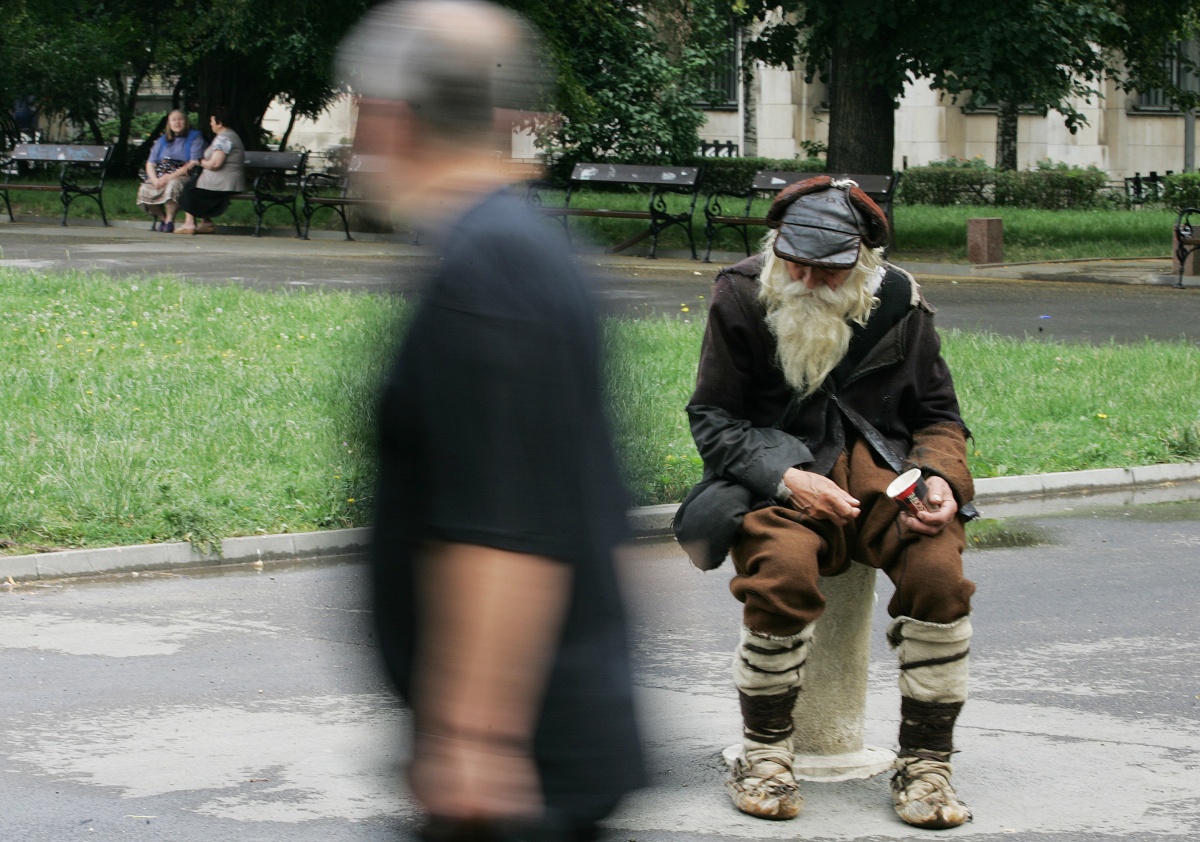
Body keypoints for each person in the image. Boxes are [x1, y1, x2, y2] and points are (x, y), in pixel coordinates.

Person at [338, 2, 645, 840]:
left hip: (518, 767)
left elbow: (502, 526)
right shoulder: (525, 244)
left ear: (387, 118)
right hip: (549, 733)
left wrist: (474, 737)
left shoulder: (489, 265)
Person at [674, 176, 977, 829]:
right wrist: (786, 477)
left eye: (827, 269)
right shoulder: (740, 291)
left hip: (885, 477)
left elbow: (940, 418)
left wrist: (939, 481)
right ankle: (765, 757)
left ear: (864, 262)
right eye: (796, 263)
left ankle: (926, 764)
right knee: (779, 572)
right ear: (777, 246)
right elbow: (714, 419)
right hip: (777, 479)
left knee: (940, 573)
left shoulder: (900, 299)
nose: (808, 280)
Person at [175, 106, 245, 235]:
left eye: (212, 121)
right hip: (225, 181)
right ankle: (206, 223)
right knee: (193, 185)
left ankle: (189, 224)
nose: (211, 124)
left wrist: (199, 162)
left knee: (189, 189)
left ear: (220, 123)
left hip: (223, 183)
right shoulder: (228, 136)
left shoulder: (224, 139)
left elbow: (215, 164)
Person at [137, 110, 204, 233]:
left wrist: (170, 177)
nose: (177, 122)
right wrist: (154, 179)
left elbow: (194, 162)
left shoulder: (195, 137)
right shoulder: (162, 140)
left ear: (186, 121)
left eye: (180, 119)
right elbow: (150, 163)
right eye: (174, 120)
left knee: (173, 185)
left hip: (184, 174)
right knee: (145, 189)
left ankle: (169, 221)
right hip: (161, 174)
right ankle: (164, 219)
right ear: (169, 123)